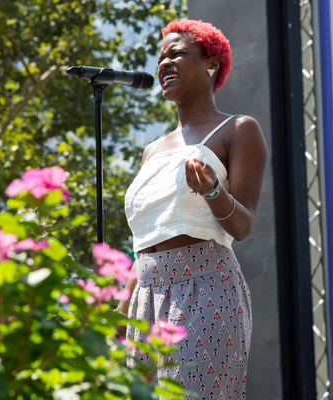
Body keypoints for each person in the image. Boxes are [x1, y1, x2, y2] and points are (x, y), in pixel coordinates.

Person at [117, 19, 267, 400]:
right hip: (146, 295)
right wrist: (119, 310)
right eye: (160, 57)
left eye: (177, 54)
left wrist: (214, 191)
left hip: (205, 286)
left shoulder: (238, 129)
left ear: (211, 64)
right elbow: (148, 238)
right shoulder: (151, 151)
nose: (164, 63)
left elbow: (243, 224)